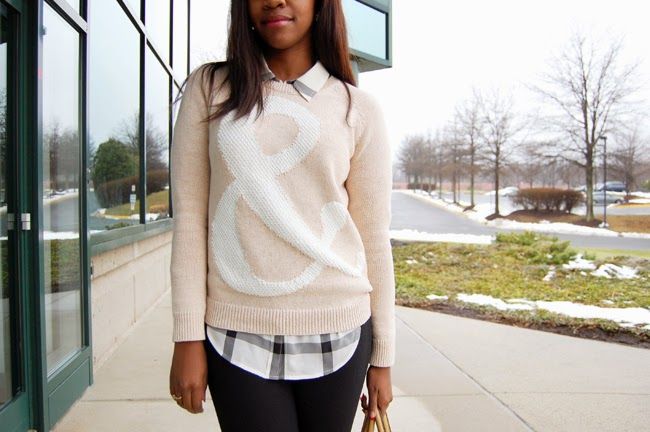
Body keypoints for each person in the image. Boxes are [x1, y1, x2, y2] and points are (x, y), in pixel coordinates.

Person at [168, 0, 396, 430]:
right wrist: (187, 336)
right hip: (235, 333)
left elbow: (373, 237)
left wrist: (383, 357)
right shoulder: (210, 88)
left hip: (341, 330)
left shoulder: (357, 108)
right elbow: (191, 221)